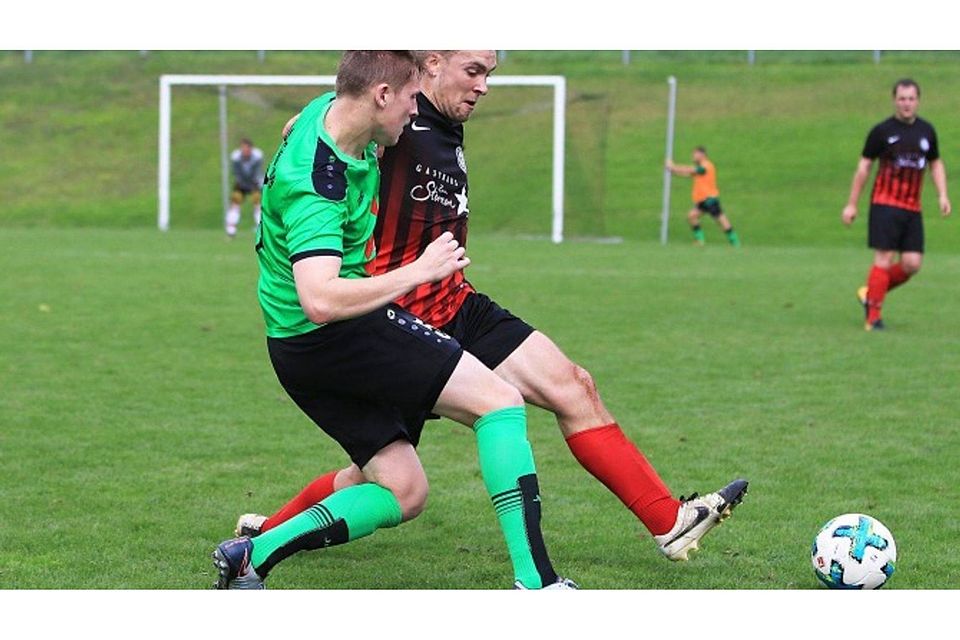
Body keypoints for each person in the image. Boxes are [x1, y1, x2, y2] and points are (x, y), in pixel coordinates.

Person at [237, 50, 748, 566]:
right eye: (473, 71)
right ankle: (268, 537)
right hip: (404, 315)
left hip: (457, 302)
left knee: (574, 385)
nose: (483, 85)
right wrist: (306, 122)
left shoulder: (437, 120)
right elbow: (339, 118)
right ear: (432, 63)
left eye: (489, 73)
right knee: (385, 477)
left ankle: (669, 520)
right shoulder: (398, 123)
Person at [213, 50, 575, 591]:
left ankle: (252, 556)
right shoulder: (319, 184)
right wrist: (419, 271)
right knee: (499, 403)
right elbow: (321, 298)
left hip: (294, 348)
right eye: (410, 100)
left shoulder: (328, 109)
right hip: (336, 335)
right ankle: (538, 584)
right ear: (382, 95)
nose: (415, 113)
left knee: (404, 492)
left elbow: (296, 124)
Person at [841, 78, 951, 331]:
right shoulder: (882, 131)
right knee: (884, 257)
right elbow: (864, 167)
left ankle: (871, 293)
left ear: (918, 101)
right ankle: (873, 319)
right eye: (902, 99)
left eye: (911, 99)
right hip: (885, 204)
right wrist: (852, 204)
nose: (906, 104)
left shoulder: (927, 131)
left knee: (912, 263)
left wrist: (942, 194)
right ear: (894, 101)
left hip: (912, 208)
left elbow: (935, 163)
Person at [666, 147, 741, 247]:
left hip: (710, 199)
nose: (693, 156)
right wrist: (673, 171)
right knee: (692, 216)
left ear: (702, 155)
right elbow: (687, 173)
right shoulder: (700, 168)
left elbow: (690, 169)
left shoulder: (706, 165)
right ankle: (700, 240)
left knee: (721, 220)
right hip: (702, 200)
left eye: (695, 154)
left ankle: (735, 242)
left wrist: (674, 166)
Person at [225, 137, 264, 237]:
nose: (245, 151)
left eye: (247, 148)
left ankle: (261, 227)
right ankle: (231, 229)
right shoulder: (236, 157)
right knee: (235, 203)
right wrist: (241, 182)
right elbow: (236, 172)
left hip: (254, 183)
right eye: (243, 148)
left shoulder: (257, 157)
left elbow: (258, 172)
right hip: (241, 184)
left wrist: (255, 183)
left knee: (258, 204)